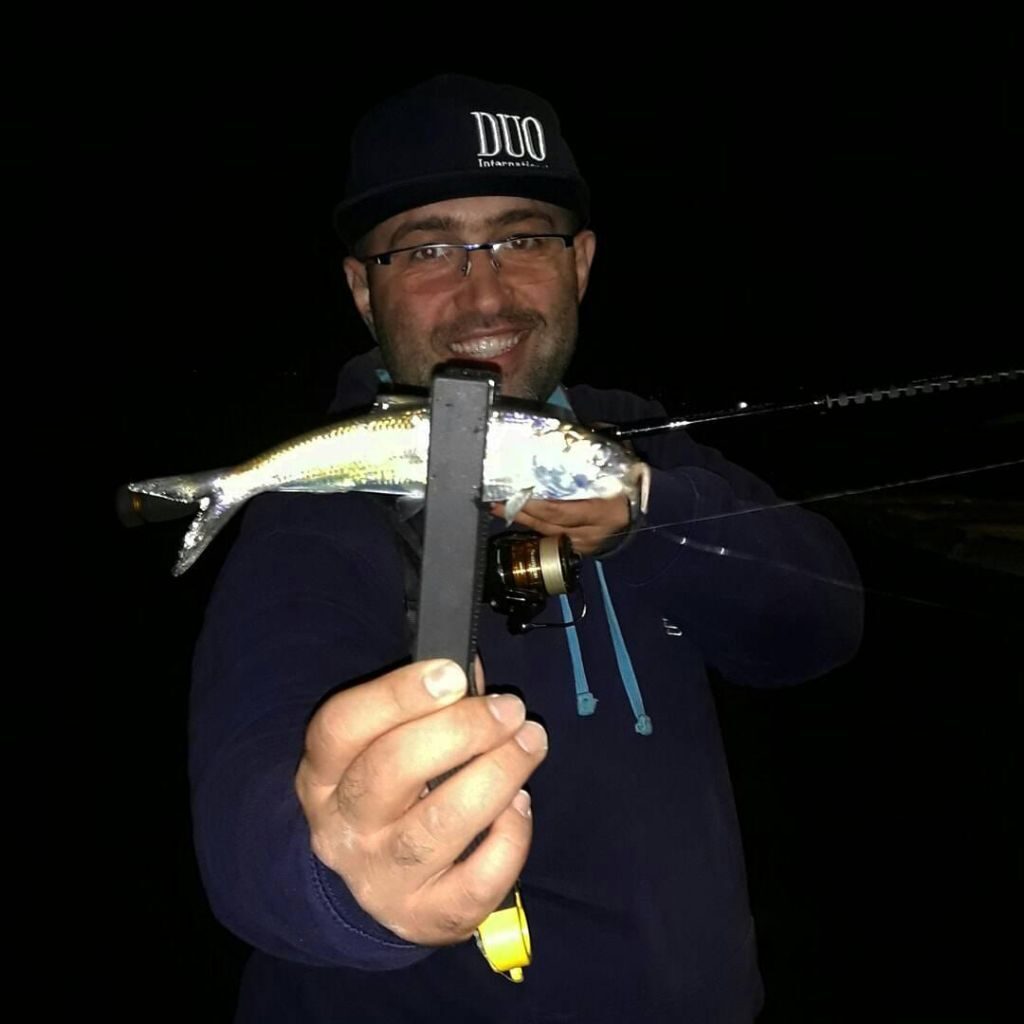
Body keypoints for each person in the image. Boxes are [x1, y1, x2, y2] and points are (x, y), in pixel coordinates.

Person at [189, 74, 863, 1022]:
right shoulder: (316, 517)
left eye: (522, 238)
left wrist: (650, 516)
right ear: (362, 289)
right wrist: (341, 879)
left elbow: (820, 624)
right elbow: (251, 800)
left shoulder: (644, 445)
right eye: (427, 248)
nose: (485, 293)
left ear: (579, 263)